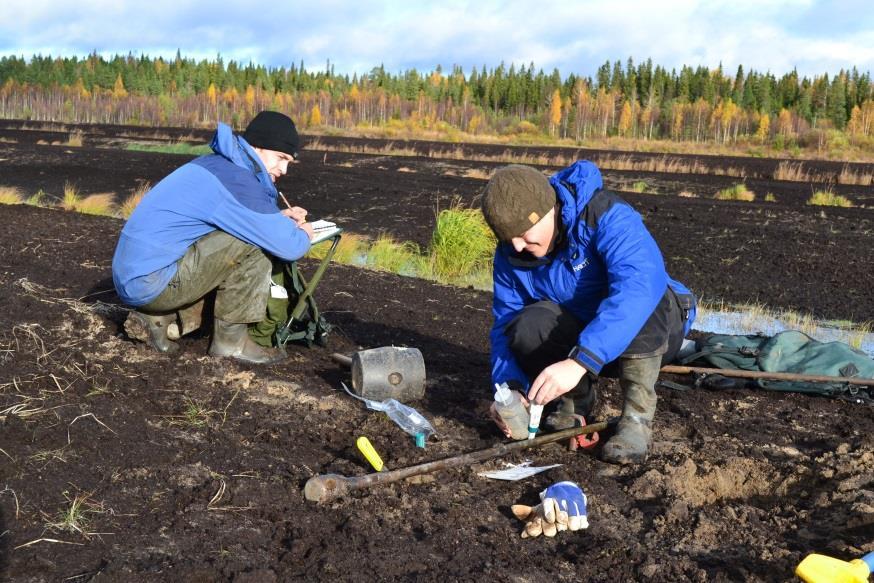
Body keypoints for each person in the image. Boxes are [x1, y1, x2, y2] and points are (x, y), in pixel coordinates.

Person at [481, 162, 697, 464]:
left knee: (643, 296)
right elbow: (505, 321)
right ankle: (573, 406)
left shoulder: (605, 214)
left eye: (524, 232)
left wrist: (579, 360)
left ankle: (636, 419)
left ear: (549, 209)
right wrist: (510, 389)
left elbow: (641, 285)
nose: (518, 244)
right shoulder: (512, 253)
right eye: (508, 238)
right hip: (586, 344)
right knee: (528, 323)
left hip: (657, 332)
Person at [112, 111, 314, 364]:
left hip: (138, 276)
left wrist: (278, 217)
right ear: (258, 147)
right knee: (255, 245)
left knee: (248, 236)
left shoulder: (220, 166)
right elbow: (289, 247)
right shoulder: (239, 181)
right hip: (152, 284)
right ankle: (232, 344)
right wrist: (305, 232)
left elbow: (223, 219)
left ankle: (164, 321)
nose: (283, 169)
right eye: (280, 158)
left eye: (288, 163)